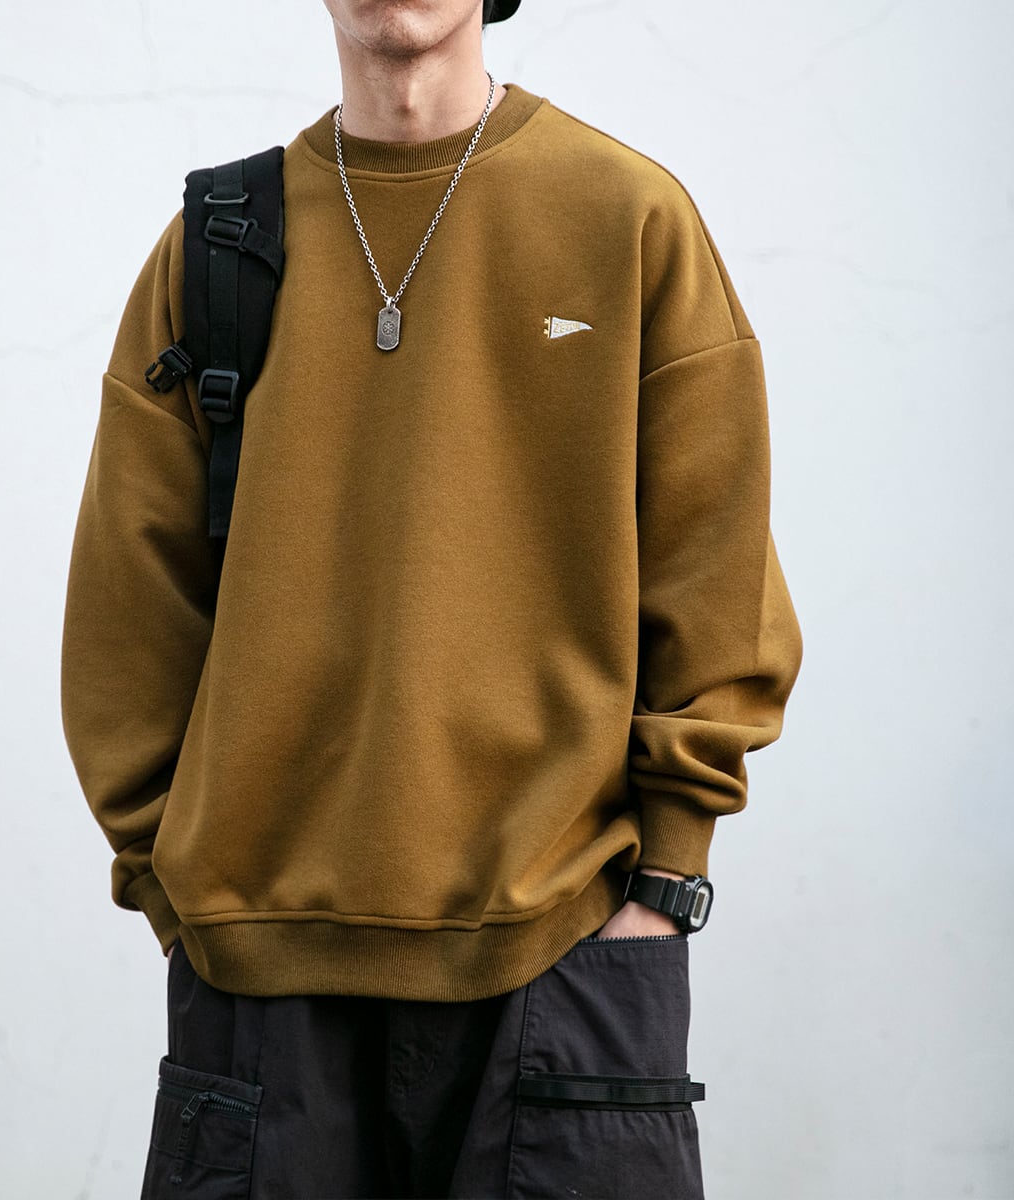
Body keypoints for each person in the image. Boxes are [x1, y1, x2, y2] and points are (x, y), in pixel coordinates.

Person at [61, 0, 802, 1195]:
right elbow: (131, 603)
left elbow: (715, 577)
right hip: (260, 978)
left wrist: (666, 883)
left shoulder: (627, 216)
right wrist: (178, 890)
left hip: (565, 954)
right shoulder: (218, 246)